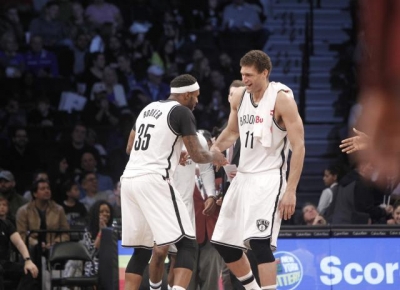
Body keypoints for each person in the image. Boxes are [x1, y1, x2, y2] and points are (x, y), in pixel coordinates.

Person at [120, 74, 227, 290]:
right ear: (186, 94)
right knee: (187, 243)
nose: (197, 101)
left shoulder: (147, 109)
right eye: (195, 97)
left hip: (129, 179)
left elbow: (130, 148)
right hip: (154, 179)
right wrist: (214, 155)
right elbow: (197, 155)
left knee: (141, 250)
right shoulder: (181, 112)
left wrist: (168, 152)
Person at [210, 50, 305, 290]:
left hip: (269, 178)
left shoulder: (282, 99)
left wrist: (291, 190)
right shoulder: (239, 97)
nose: (245, 79)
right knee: (224, 244)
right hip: (243, 177)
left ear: (265, 73)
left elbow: (299, 146)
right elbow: (232, 132)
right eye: (242, 74)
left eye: (250, 75)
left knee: (259, 243)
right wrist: (214, 148)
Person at [167, 130, 221, 290]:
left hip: (212, 235)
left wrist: (215, 197)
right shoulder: (181, 169)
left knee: (211, 284)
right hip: (186, 232)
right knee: (185, 283)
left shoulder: (219, 172)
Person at [0, 196, 39, 290]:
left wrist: (28, 260)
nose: (1, 207)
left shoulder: (7, 224)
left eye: (4, 205)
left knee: (29, 271)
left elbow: (19, 243)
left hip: (4, 263)